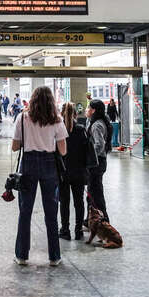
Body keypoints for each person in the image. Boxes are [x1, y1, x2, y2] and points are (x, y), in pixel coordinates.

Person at [12, 86, 68, 267]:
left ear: (33, 99)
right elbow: (63, 150)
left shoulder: (22, 118)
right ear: (51, 101)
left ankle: (21, 255)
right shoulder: (57, 119)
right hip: (49, 164)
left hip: (28, 163)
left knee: (25, 211)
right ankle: (54, 257)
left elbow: (14, 147)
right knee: (51, 212)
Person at [59, 102, 88, 241]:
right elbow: (86, 151)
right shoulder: (81, 129)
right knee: (79, 202)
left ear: (61, 113)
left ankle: (65, 230)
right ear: (76, 114)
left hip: (63, 172)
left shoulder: (58, 130)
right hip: (79, 171)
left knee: (64, 202)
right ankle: (78, 231)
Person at [86, 99, 113, 223]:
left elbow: (99, 145)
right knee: (91, 192)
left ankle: (104, 220)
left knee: (96, 193)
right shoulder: (98, 122)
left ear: (93, 110)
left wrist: (89, 157)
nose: (86, 110)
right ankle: (90, 220)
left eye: (88, 108)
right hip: (99, 162)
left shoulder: (97, 125)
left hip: (96, 163)